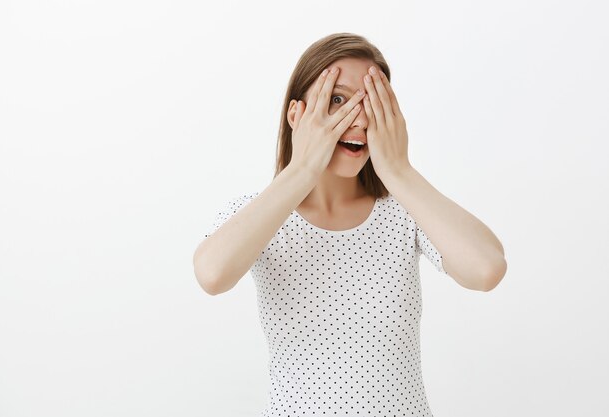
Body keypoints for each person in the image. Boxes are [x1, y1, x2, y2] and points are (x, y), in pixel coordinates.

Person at [194, 32, 507, 417]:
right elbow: (211, 275)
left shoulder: (406, 210)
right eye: (338, 99)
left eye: (372, 103)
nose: (357, 118)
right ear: (296, 115)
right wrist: (304, 167)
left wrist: (399, 170)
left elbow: (487, 268)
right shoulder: (262, 215)